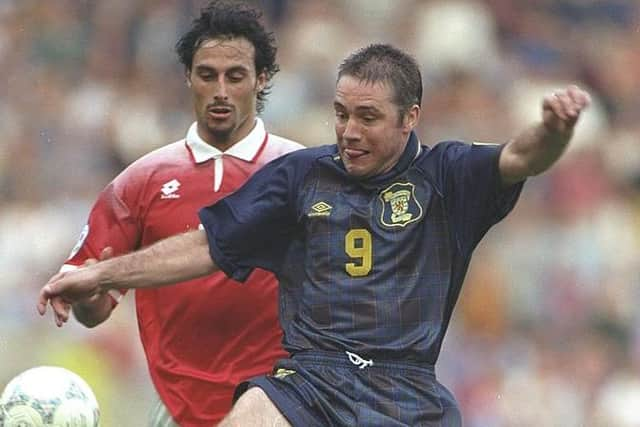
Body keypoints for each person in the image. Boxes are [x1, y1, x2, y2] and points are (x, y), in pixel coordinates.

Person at [39, 43, 590, 426]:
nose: (349, 132)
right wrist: (101, 272)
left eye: (368, 117)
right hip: (308, 380)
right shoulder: (300, 176)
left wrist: (554, 129)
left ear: (410, 117)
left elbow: (522, 155)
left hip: (404, 392)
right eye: (341, 114)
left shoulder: (448, 176)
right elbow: (206, 246)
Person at [47, 2, 303, 426]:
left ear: (261, 80)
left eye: (235, 76)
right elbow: (93, 308)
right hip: (177, 408)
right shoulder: (140, 182)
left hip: (279, 402)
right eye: (207, 75)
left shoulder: (301, 172)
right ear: (188, 78)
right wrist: (87, 295)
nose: (220, 90)